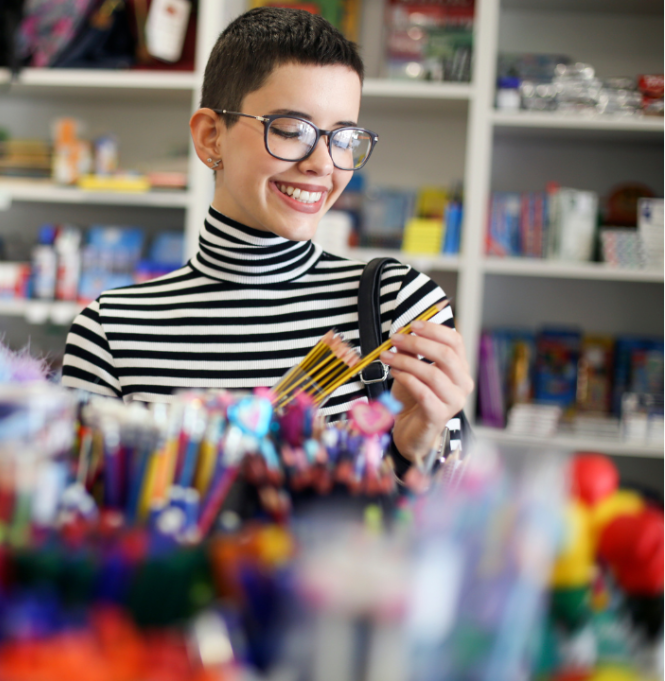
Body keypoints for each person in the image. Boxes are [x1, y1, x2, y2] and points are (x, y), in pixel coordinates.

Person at [61, 7, 473, 465]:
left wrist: (412, 456)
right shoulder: (111, 331)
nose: (322, 164)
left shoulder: (398, 303)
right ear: (211, 137)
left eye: (343, 138)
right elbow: (79, 504)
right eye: (292, 131)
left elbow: (462, 503)